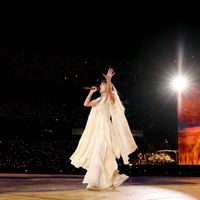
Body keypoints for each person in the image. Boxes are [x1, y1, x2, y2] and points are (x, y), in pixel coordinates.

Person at [70, 67, 137, 190]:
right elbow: (86, 104)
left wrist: (109, 80)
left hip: (106, 130)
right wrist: (91, 92)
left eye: (102, 85)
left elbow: (111, 95)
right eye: (100, 85)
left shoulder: (110, 99)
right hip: (97, 130)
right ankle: (107, 182)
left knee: (99, 153)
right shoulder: (99, 99)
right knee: (103, 155)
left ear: (107, 87)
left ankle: (93, 183)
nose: (100, 87)